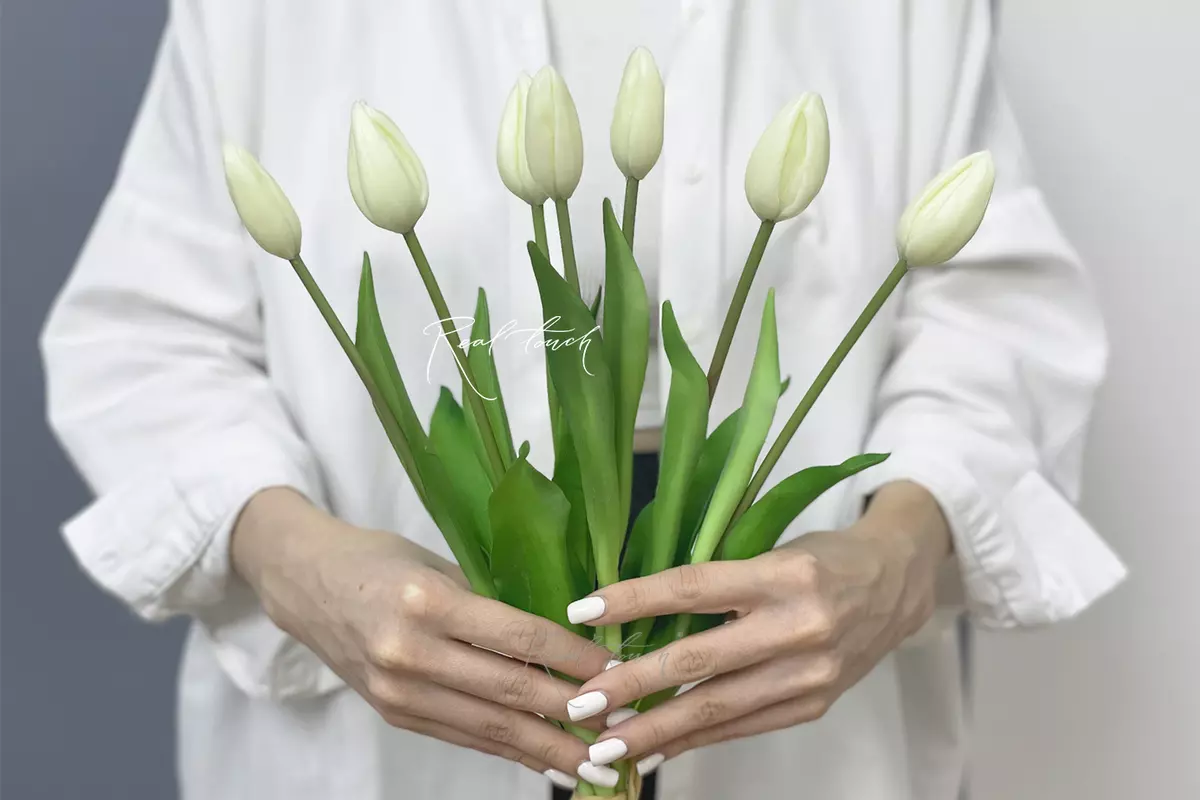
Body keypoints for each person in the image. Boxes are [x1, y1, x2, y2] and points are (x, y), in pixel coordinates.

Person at [41, 1, 1127, 799]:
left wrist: (899, 549)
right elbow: (150, 338)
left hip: (777, 681)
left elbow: (992, 318)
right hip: (396, 708)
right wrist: (296, 562)